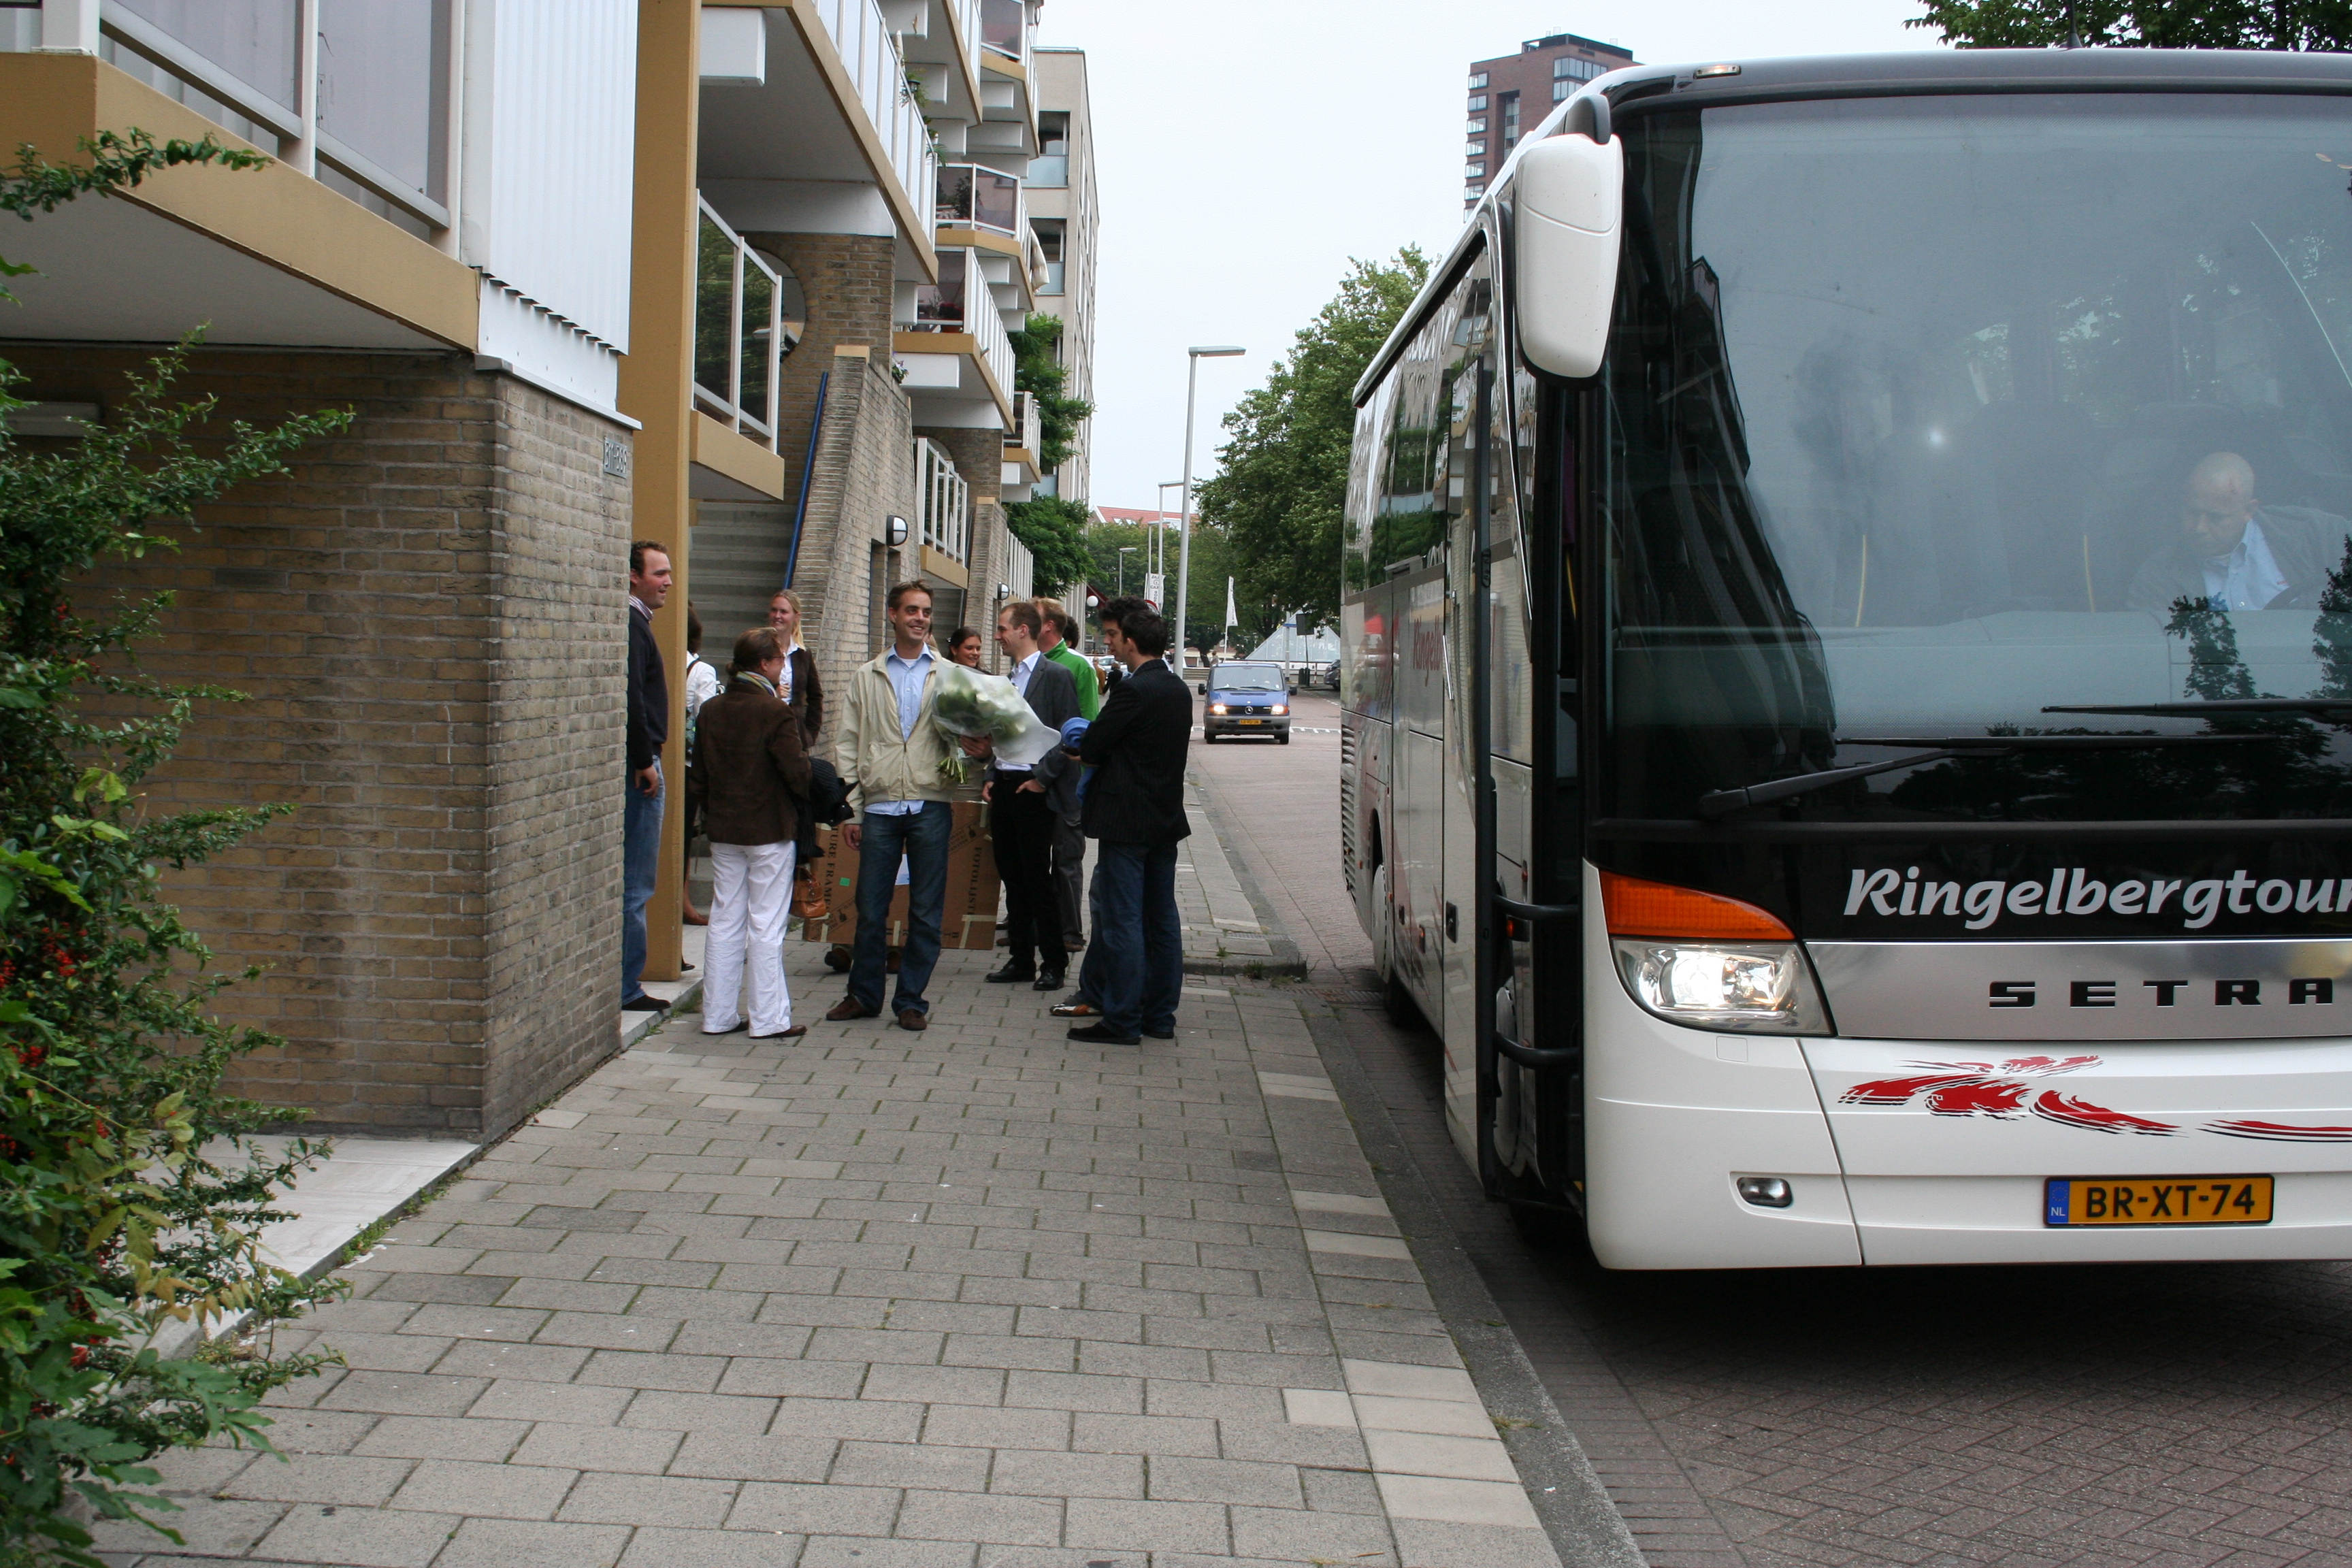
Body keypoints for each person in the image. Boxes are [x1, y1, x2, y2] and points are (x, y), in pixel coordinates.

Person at [1058, 597, 1190, 1046]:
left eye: (1116, 638)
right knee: (1162, 919)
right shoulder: (1178, 689)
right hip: (1165, 819)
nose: (1111, 644)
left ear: (1132, 642)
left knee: (1123, 921)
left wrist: (1082, 745)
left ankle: (1121, 1020)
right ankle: (1160, 1016)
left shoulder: (1134, 690)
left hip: (1125, 821)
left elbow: (1093, 747)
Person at [827, 581, 954, 1031]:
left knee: (926, 912)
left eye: (926, 611)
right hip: (879, 806)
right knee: (870, 909)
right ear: (893, 615)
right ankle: (863, 996)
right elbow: (847, 745)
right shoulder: (868, 675)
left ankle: (911, 1001)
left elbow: (965, 738)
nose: (920, 618)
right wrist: (853, 808)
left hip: (929, 802)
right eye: (912, 611)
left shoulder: (949, 674)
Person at [691, 626, 813, 1040]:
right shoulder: (774, 711)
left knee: (725, 919)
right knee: (765, 925)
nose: (783, 667)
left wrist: (713, 810)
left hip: (724, 829)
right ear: (764, 664)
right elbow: (796, 772)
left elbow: (699, 775)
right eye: (779, 659)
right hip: (769, 829)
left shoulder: (712, 710)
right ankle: (769, 1019)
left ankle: (717, 1015)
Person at [981, 600, 1081, 991]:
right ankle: (1021, 958)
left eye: (1002, 628)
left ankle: (1053, 962)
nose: (997, 636)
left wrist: (1042, 779)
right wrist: (992, 774)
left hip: (1035, 787)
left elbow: (1069, 734)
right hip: (1006, 785)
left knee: (1038, 878)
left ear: (1023, 630)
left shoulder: (1055, 676)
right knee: (1012, 874)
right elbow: (1003, 735)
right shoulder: (1007, 679)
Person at [2127, 451, 2352, 612]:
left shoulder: (2315, 533)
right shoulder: (2159, 576)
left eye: (2216, 517)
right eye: (2192, 513)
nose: (2199, 528)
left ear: (2248, 511)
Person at [623, 541, 672, 1015]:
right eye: (659, 573)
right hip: (641, 768)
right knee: (636, 883)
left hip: (643, 762)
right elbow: (632, 696)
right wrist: (643, 760)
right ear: (634, 576)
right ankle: (627, 986)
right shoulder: (633, 625)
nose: (668, 582)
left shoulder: (638, 624)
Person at [1034, 600, 1096, 953]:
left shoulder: (1076, 666)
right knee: (1033, 857)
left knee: (1067, 859)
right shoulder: (1027, 665)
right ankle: (1031, 924)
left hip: (1067, 779)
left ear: (1049, 626)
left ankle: (1070, 931)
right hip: (1032, 775)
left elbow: (1085, 725)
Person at [681, 605, 719, 928]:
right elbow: (705, 719)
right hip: (687, 764)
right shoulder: (701, 671)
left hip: (656, 758)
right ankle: (682, 901)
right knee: (682, 837)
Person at [768, 589, 824, 745]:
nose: (777, 616)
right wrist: (773, 694)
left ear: (796, 617)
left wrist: (810, 734)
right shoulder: (759, 648)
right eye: (774, 610)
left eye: (784, 612)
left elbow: (815, 696)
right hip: (764, 730)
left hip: (794, 735)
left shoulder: (802, 653)